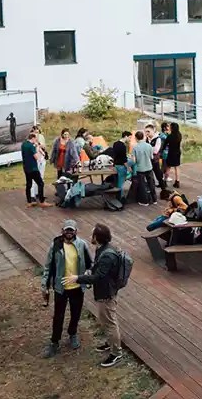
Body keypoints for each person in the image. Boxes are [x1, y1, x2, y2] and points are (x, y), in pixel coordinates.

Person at [64, 223, 123, 368]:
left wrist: (78, 278)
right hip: (104, 291)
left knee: (110, 322)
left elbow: (99, 277)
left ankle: (116, 353)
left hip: (106, 293)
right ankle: (110, 343)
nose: (91, 237)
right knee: (105, 320)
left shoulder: (107, 255)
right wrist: (90, 271)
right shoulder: (102, 249)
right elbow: (97, 269)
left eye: (93, 235)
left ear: (97, 237)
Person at [42, 219, 93, 358]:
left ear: (76, 231)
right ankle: (54, 341)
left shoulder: (82, 245)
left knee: (76, 313)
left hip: (77, 287)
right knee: (58, 315)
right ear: (62, 231)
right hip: (61, 288)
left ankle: (73, 333)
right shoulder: (56, 245)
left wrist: (86, 276)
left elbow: (90, 264)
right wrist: (45, 286)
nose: (69, 232)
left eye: (71, 230)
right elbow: (48, 266)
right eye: (67, 230)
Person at [22, 133, 52, 208]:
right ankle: (42, 201)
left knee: (29, 184)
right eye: (35, 139)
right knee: (40, 183)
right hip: (33, 168)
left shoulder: (23, 144)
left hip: (26, 168)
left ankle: (29, 201)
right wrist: (37, 148)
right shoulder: (31, 146)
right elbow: (37, 157)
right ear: (33, 138)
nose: (36, 141)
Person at [130, 131, 157, 206]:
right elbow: (151, 157)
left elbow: (134, 161)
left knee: (142, 185)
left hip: (140, 168)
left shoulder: (135, 147)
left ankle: (145, 201)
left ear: (136, 138)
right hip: (149, 167)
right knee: (151, 183)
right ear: (143, 137)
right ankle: (154, 199)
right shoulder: (149, 146)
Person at [143, 124, 166, 192]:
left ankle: (164, 190)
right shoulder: (146, 138)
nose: (146, 133)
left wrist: (147, 148)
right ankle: (150, 191)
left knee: (158, 176)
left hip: (154, 161)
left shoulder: (158, 139)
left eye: (148, 131)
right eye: (145, 131)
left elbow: (156, 151)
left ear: (153, 131)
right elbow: (143, 148)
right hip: (147, 160)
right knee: (148, 177)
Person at [31, 125, 48, 199]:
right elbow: (32, 148)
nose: (37, 134)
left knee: (41, 176)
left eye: (38, 132)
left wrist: (40, 144)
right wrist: (36, 144)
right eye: (35, 132)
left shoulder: (41, 137)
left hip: (42, 158)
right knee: (34, 177)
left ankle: (40, 193)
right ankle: (33, 195)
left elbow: (44, 146)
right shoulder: (31, 139)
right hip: (35, 159)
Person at [164, 122, 183, 188]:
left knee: (168, 167)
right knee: (177, 167)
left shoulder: (170, 136)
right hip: (177, 152)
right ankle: (177, 181)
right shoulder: (179, 135)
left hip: (171, 153)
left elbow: (165, 144)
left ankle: (165, 181)